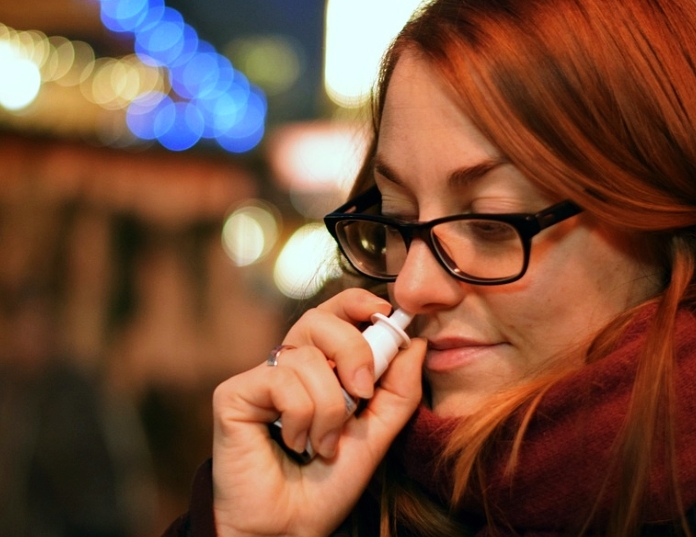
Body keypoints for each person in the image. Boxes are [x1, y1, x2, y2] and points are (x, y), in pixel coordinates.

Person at [163, 0, 696, 534]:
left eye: (490, 222)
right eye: (397, 217)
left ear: (664, 218)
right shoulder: (346, 486)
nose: (412, 288)